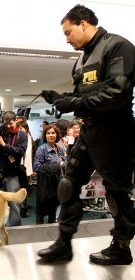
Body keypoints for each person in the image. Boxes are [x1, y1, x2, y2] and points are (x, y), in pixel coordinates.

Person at [38, 4, 135, 265]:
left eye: (68, 32)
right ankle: (63, 245)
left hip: (116, 133)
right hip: (90, 131)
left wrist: (75, 104)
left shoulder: (117, 46)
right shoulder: (81, 59)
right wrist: (62, 98)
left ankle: (121, 248)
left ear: (84, 23)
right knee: (68, 184)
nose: (66, 39)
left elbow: (118, 91)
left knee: (116, 193)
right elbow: (83, 96)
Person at [0, 111, 28, 226]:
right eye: (6, 124)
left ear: (16, 121)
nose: (8, 126)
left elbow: (20, 152)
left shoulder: (22, 135)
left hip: (12, 174)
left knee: (14, 204)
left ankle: (15, 230)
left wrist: (4, 145)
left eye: (11, 123)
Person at [33, 124, 65, 224]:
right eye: (48, 133)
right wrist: (56, 166)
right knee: (40, 215)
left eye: (53, 133)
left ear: (57, 135)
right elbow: (37, 167)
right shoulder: (41, 149)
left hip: (57, 184)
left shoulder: (60, 149)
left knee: (53, 214)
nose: (50, 135)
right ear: (45, 135)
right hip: (45, 186)